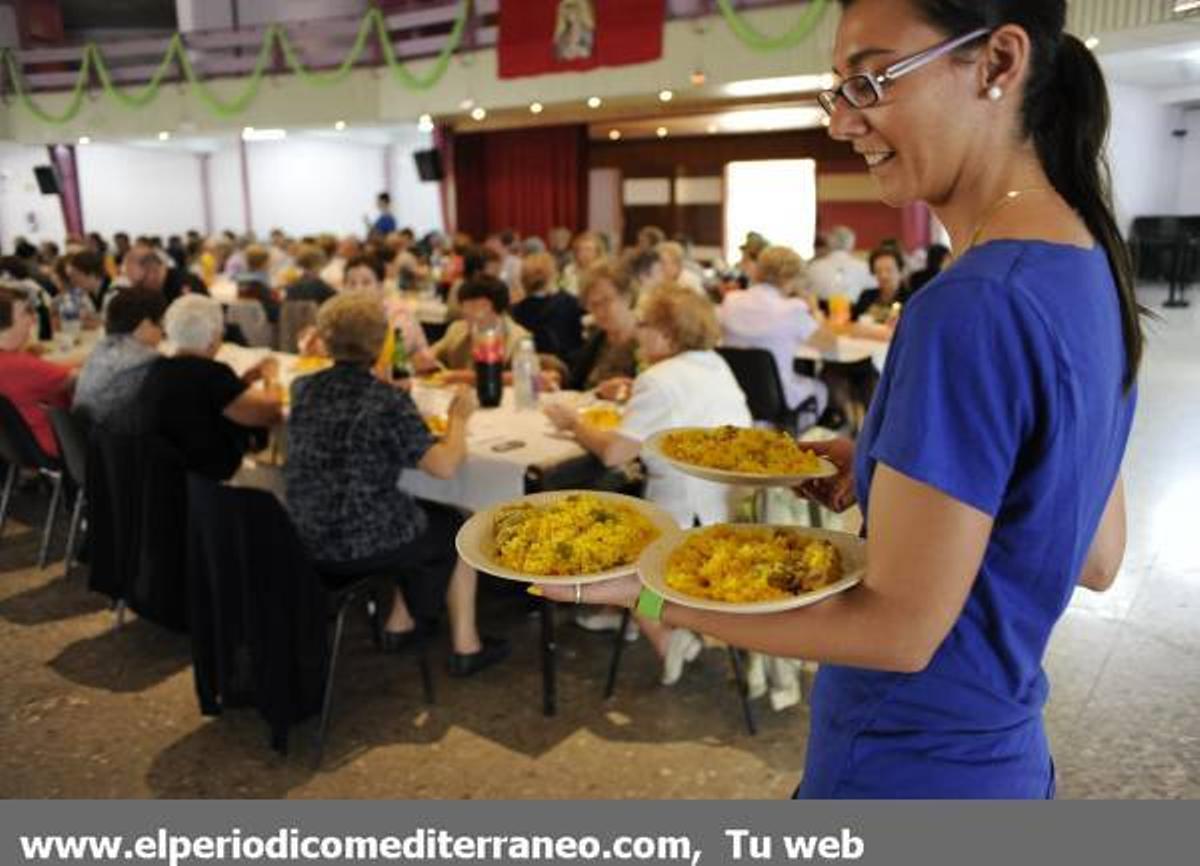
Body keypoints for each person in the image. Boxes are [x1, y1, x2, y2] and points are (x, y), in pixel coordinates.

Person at [538, 0, 1143, 799]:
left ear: (998, 61)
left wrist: (654, 592)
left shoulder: (970, 304)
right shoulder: (1090, 266)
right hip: (1005, 763)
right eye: (839, 90)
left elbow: (897, 633)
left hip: (901, 768)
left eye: (872, 80)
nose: (841, 121)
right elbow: (1092, 554)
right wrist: (898, 472)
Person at [286, 292, 509, 675]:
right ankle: (466, 646)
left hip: (307, 534)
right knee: (459, 525)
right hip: (364, 540)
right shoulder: (386, 401)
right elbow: (444, 466)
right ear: (381, 342)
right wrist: (458, 419)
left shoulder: (303, 388)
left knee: (416, 513)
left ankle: (400, 624)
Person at [544, 286, 753, 685]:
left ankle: (662, 632)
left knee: (597, 546)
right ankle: (637, 615)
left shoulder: (658, 379)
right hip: (729, 510)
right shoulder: (714, 363)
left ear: (668, 335)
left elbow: (614, 454)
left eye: (644, 324)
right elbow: (678, 409)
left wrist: (573, 423)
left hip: (686, 521)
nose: (637, 331)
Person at [136, 295, 282, 481]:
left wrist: (245, 380)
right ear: (213, 336)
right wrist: (271, 377)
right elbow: (269, 411)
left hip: (168, 477)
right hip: (213, 481)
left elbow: (218, 399)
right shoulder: (212, 374)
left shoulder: (158, 368)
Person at [718, 245, 829, 423]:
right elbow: (827, 343)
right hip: (778, 396)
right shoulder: (792, 309)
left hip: (735, 390)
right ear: (791, 278)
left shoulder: (731, 301)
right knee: (821, 388)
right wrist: (815, 310)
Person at [73, 289, 166, 427]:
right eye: (161, 324)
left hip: (85, 434)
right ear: (146, 325)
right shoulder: (147, 361)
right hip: (114, 436)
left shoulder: (101, 348)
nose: (163, 332)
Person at [0, 285, 74, 458]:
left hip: (18, 451)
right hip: (60, 448)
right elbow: (81, 380)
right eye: (25, 313)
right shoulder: (21, 366)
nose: (33, 319)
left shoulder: (14, 362)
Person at [343, 255, 436, 376]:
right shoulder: (346, 315)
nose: (358, 289)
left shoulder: (399, 316)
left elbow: (394, 362)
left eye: (366, 283)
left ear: (380, 286)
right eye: (352, 284)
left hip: (416, 380)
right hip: (369, 379)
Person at [564, 262, 639, 393]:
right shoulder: (597, 339)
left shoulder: (647, 342)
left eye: (606, 301)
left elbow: (652, 391)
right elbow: (574, 383)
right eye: (594, 304)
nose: (599, 311)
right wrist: (557, 376)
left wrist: (626, 392)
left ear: (627, 296)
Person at [430, 275, 532, 372]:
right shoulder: (457, 329)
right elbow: (431, 355)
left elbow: (524, 375)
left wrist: (458, 376)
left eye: (475, 307)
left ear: (497, 308)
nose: (467, 312)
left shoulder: (518, 339)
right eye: (465, 306)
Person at [511, 252, 584, 360]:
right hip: (568, 364)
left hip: (532, 363)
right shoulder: (571, 303)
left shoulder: (517, 310)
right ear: (553, 274)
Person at [805, 225, 874, 304]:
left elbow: (805, 291)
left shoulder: (813, 267)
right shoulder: (864, 267)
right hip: (856, 310)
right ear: (852, 243)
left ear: (829, 243)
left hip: (819, 310)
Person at [852, 246, 910, 324]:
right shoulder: (867, 295)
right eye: (878, 271)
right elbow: (853, 321)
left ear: (900, 271)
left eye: (889, 270)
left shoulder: (910, 300)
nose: (883, 276)